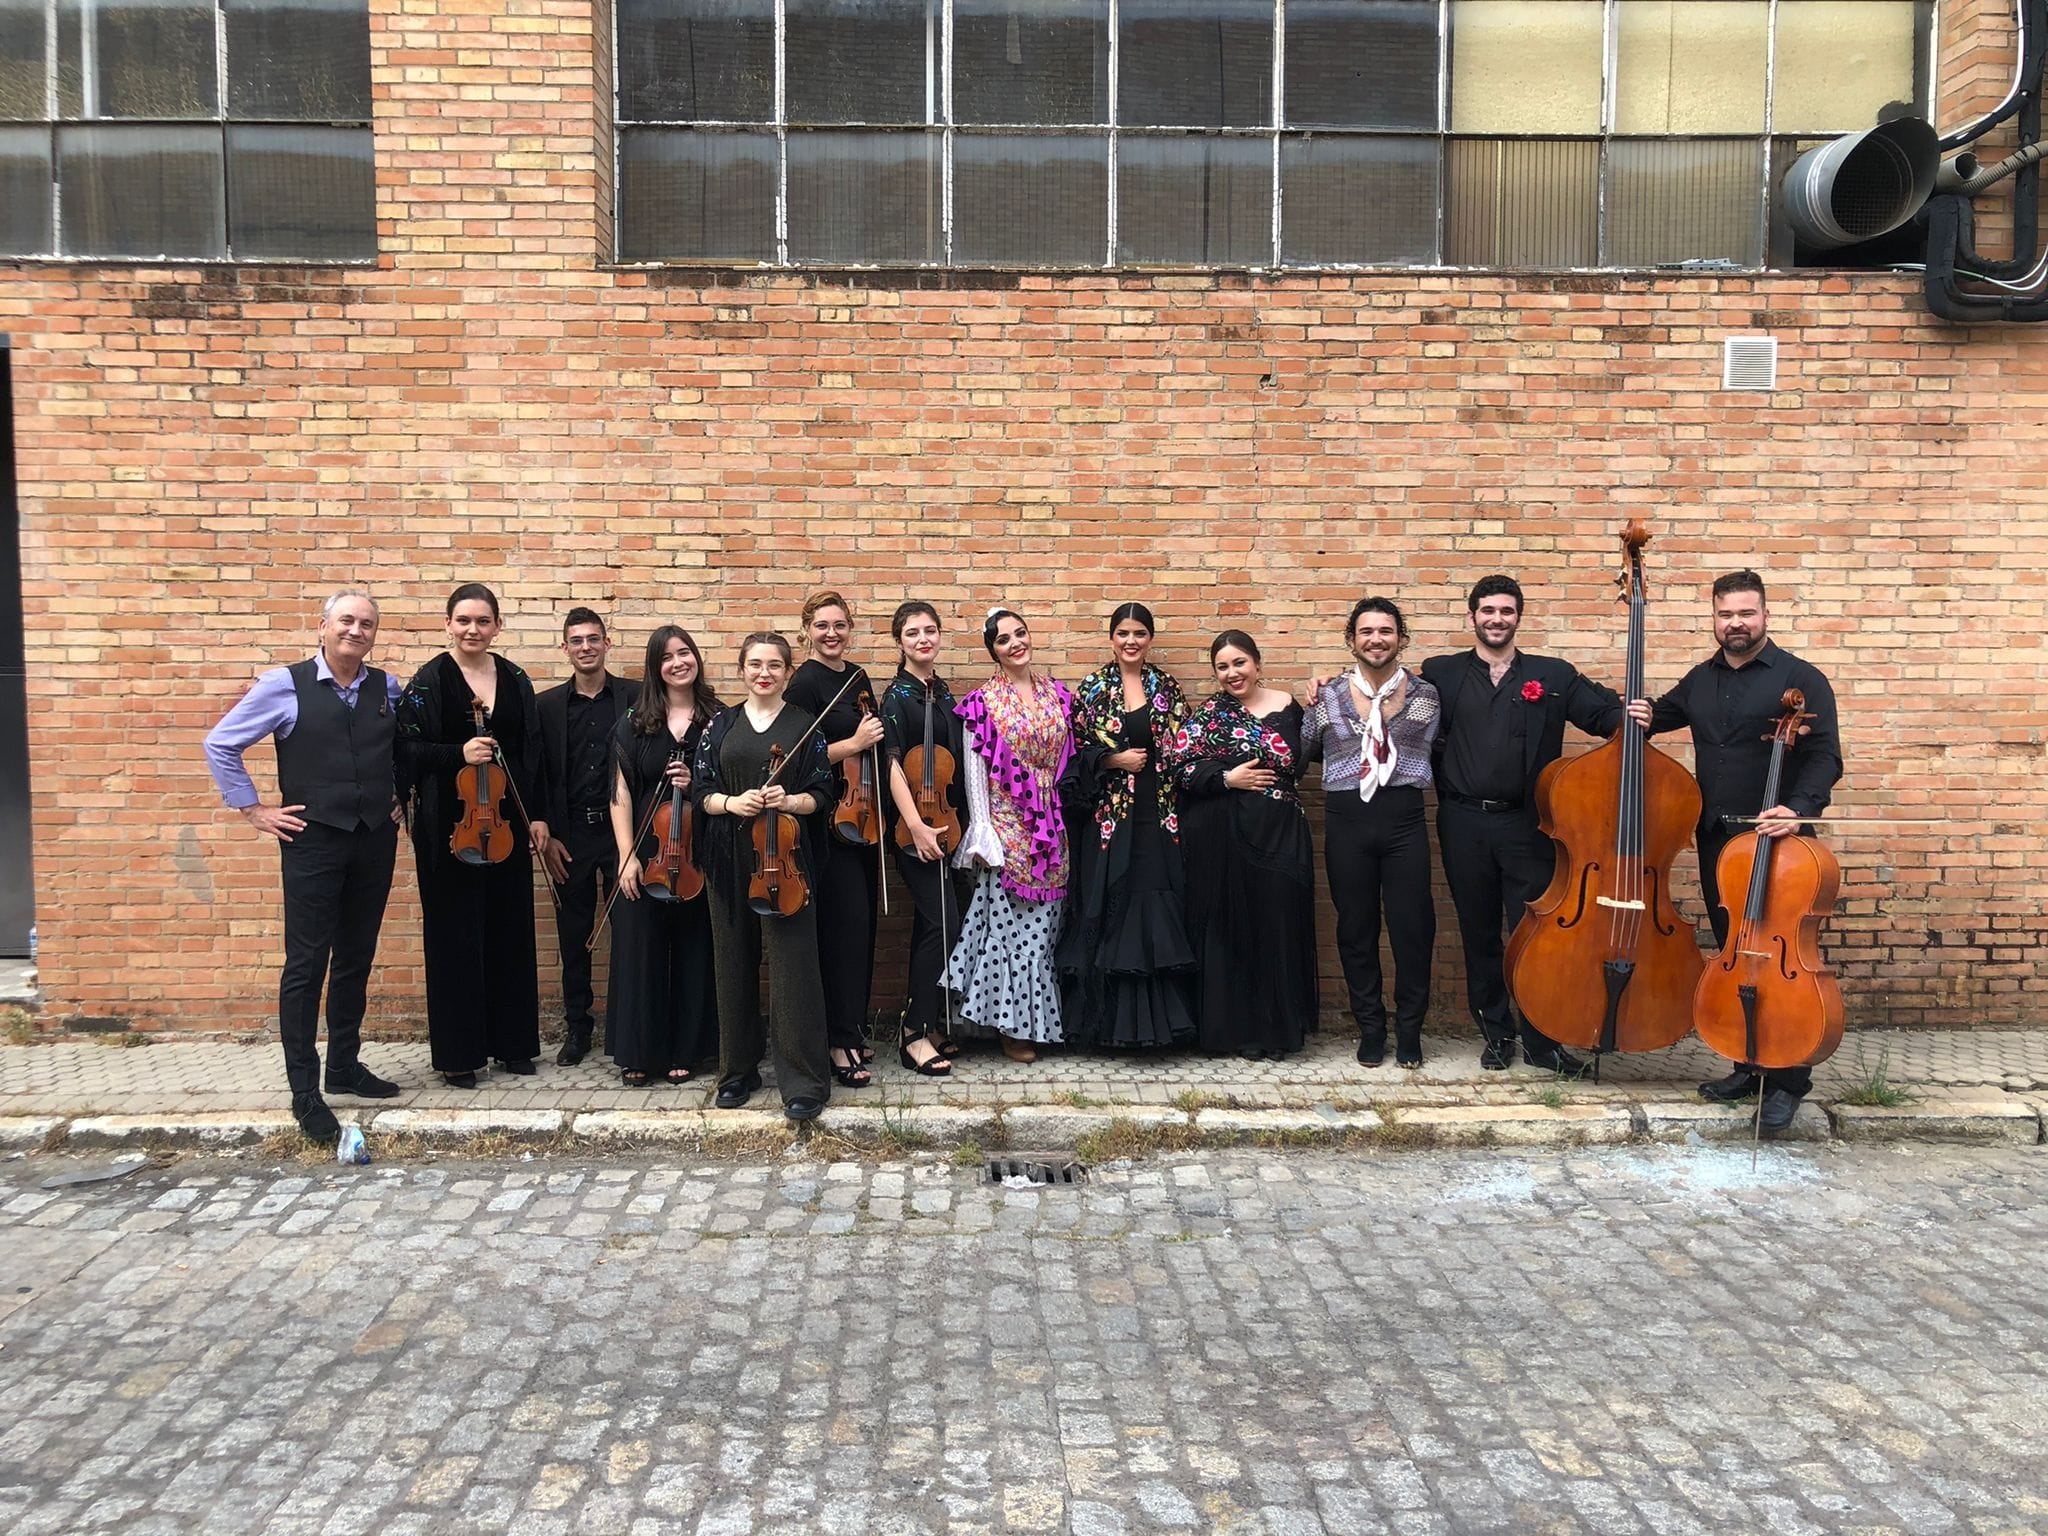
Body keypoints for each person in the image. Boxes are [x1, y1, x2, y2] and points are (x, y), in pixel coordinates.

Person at [1627, 570, 1843, 1131]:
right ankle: (1747, 1063)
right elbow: (1664, 713)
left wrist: (1796, 808)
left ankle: (1788, 1079)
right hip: (1720, 844)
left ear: (1765, 615)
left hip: (1779, 845)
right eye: (1726, 614)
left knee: (1776, 959)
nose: (1736, 624)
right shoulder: (1702, 679)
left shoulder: (1801, 679)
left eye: (1746, 613)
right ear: (1714, 618)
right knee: (1734, 949)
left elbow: (1825, 757)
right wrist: (1638, 713)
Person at [202, 589, 404, 1144]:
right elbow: (220, 743)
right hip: (312, 842)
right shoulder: (281, 686)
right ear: (322, 627)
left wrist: (400, 794)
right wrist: (253, 808)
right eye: (346, 621)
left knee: (356, 955)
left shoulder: (387, 688)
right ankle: (305, 1092)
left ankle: (344, 1065)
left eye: (366, 624)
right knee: (307, 963)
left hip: (372, 840)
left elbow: (405, 749)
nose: (356, 631)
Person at [1419, 574, 1624, 1075]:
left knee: (1535, 932)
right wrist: (1326, 689)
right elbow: (1381, 697)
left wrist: (1636, 712)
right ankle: (1496, 1033)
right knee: (1479, 931)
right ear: (1471, 617)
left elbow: (1604, 716)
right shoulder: (1439, 673)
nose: (1496, 619)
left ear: (1518, 618)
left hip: (1530, 825)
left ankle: (1542, 1040)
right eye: (1487, 610)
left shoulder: (1551, 675)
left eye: (1506, 611)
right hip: (1463, 821)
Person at [397, 582, 549, 1087]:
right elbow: (404, 750)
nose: (472, 629)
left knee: (510, 929)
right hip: (448, 824)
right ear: (448, 625)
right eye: (463, 620)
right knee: (454, 938)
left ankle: (514, 1045)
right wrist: (456, 753)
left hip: (504, 822)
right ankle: (459, 1056)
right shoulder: (429, 681)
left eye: (483, 621)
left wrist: (538, 816)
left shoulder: (514, 676)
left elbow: (531, 751)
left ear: (497, 626)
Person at [692, 632, 837, 1120]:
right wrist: (732, 803)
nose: (764, 673)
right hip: (728, 858)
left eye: (775, 665)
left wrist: (790, 800)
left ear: (788, 673)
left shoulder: (805, 726)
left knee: (796, 968)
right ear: (741, 670)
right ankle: (737, 1072)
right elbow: (701, 790)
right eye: (755, 664)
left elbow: (823, 791)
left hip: (788, 859)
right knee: (732, 963)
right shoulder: (721, 724)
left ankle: (804, 1080)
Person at [1166, 630, 1318, 1059]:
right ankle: (1234, 1032)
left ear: (1257, 662)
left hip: (1282, 833)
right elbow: (1179, 769)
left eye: (1239, 663)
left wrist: (1328, 693)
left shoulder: (1291, 708)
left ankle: (1277, 1033)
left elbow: (1321, 745)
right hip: (1226, 839)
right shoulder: (1211, 714)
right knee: (1233, 932)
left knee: (1278, 926)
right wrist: (1226, 778)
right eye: (1222, 667)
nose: (1233, 673)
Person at [1303, 598, 1441, 1068]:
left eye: (1386, 630)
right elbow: (1303, 749)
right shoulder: (1327, 695)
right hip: (1347, 820)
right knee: (1356, 929)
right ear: (1352, 639)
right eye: (1366, 631)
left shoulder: (1426, 694)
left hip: (1404, 819)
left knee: (1412, 929)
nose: (1376, 639)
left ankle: (1409, 1029)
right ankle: (1370, 1028)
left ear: (1401, 638)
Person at [1057, 602, 1197, 1048]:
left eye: (1139, 633)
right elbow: (1074, 755)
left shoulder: (1167, 687)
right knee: (1114, 906)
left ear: (1150, 639)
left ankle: (1163, 1028)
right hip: (1111, 821)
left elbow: (1186, 746)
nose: (1131, 641)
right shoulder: (1095, 688)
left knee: (1157, 905)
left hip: (1159, 817)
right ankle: (1108, 1028)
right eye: (1123, 633)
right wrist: (1114, 759)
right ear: (1112, 638)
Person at [944, 608, 1074, 1063]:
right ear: (993, 650)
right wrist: (983, 832)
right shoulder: (982, 702)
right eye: (1004, 639)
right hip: (1007, 824)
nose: (1016, 643)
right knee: (1008, 934)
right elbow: (974, 773)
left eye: (1021, 634)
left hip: (1052, 824)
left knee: (1044, 933)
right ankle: (1010, 1027)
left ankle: (1035, 1022)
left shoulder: (1058, 695)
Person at [606, 626, 721, 1086]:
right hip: (648, 854)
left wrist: (695, 785)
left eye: (685, 653)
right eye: (667, 656)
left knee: (696, 950)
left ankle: (687, 1050)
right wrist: (625, 855)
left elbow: (728, 785)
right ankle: (640, 1051)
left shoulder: (718, 719)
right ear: (656, 667)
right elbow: (620, 793)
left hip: (698, 853)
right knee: (640, 950)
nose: (678, 662)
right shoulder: (635, 722)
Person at [785, 590, 881, 1089]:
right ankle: (836, 1041)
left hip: (862, 816)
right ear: (807, 630)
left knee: (861, 931)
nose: (831, 633)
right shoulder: (803, 683)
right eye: (821, 625)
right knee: (842, 932)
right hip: (826, 824)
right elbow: (800, 758)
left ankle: (852, 1027)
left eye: (839, 625)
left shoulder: (858, 678)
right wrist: (855, 743)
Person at [535, 607, 629, 1066]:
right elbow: (536, 772)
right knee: (573, 935)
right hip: (569, 835)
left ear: (607, 644)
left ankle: (627, 1028)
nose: (586, 647)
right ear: (565, 648)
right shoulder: (547, 705)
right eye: (577, 640)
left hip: (620, 833)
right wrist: (545, 830)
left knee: (629, 929)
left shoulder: (633, 696)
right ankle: (578, 1028)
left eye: (594, 639)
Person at [879, 600, 961, 1078]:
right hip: (913, 826)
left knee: (939, 923)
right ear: (900, 641)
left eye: (930, 630)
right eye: (913, 633)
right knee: (940, 920)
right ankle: (913, 1033)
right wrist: (914, 825)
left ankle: (927, 1022)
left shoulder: (943, 692)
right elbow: (891, 763)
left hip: (948, 821)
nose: (923, 639)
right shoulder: (897, 696)